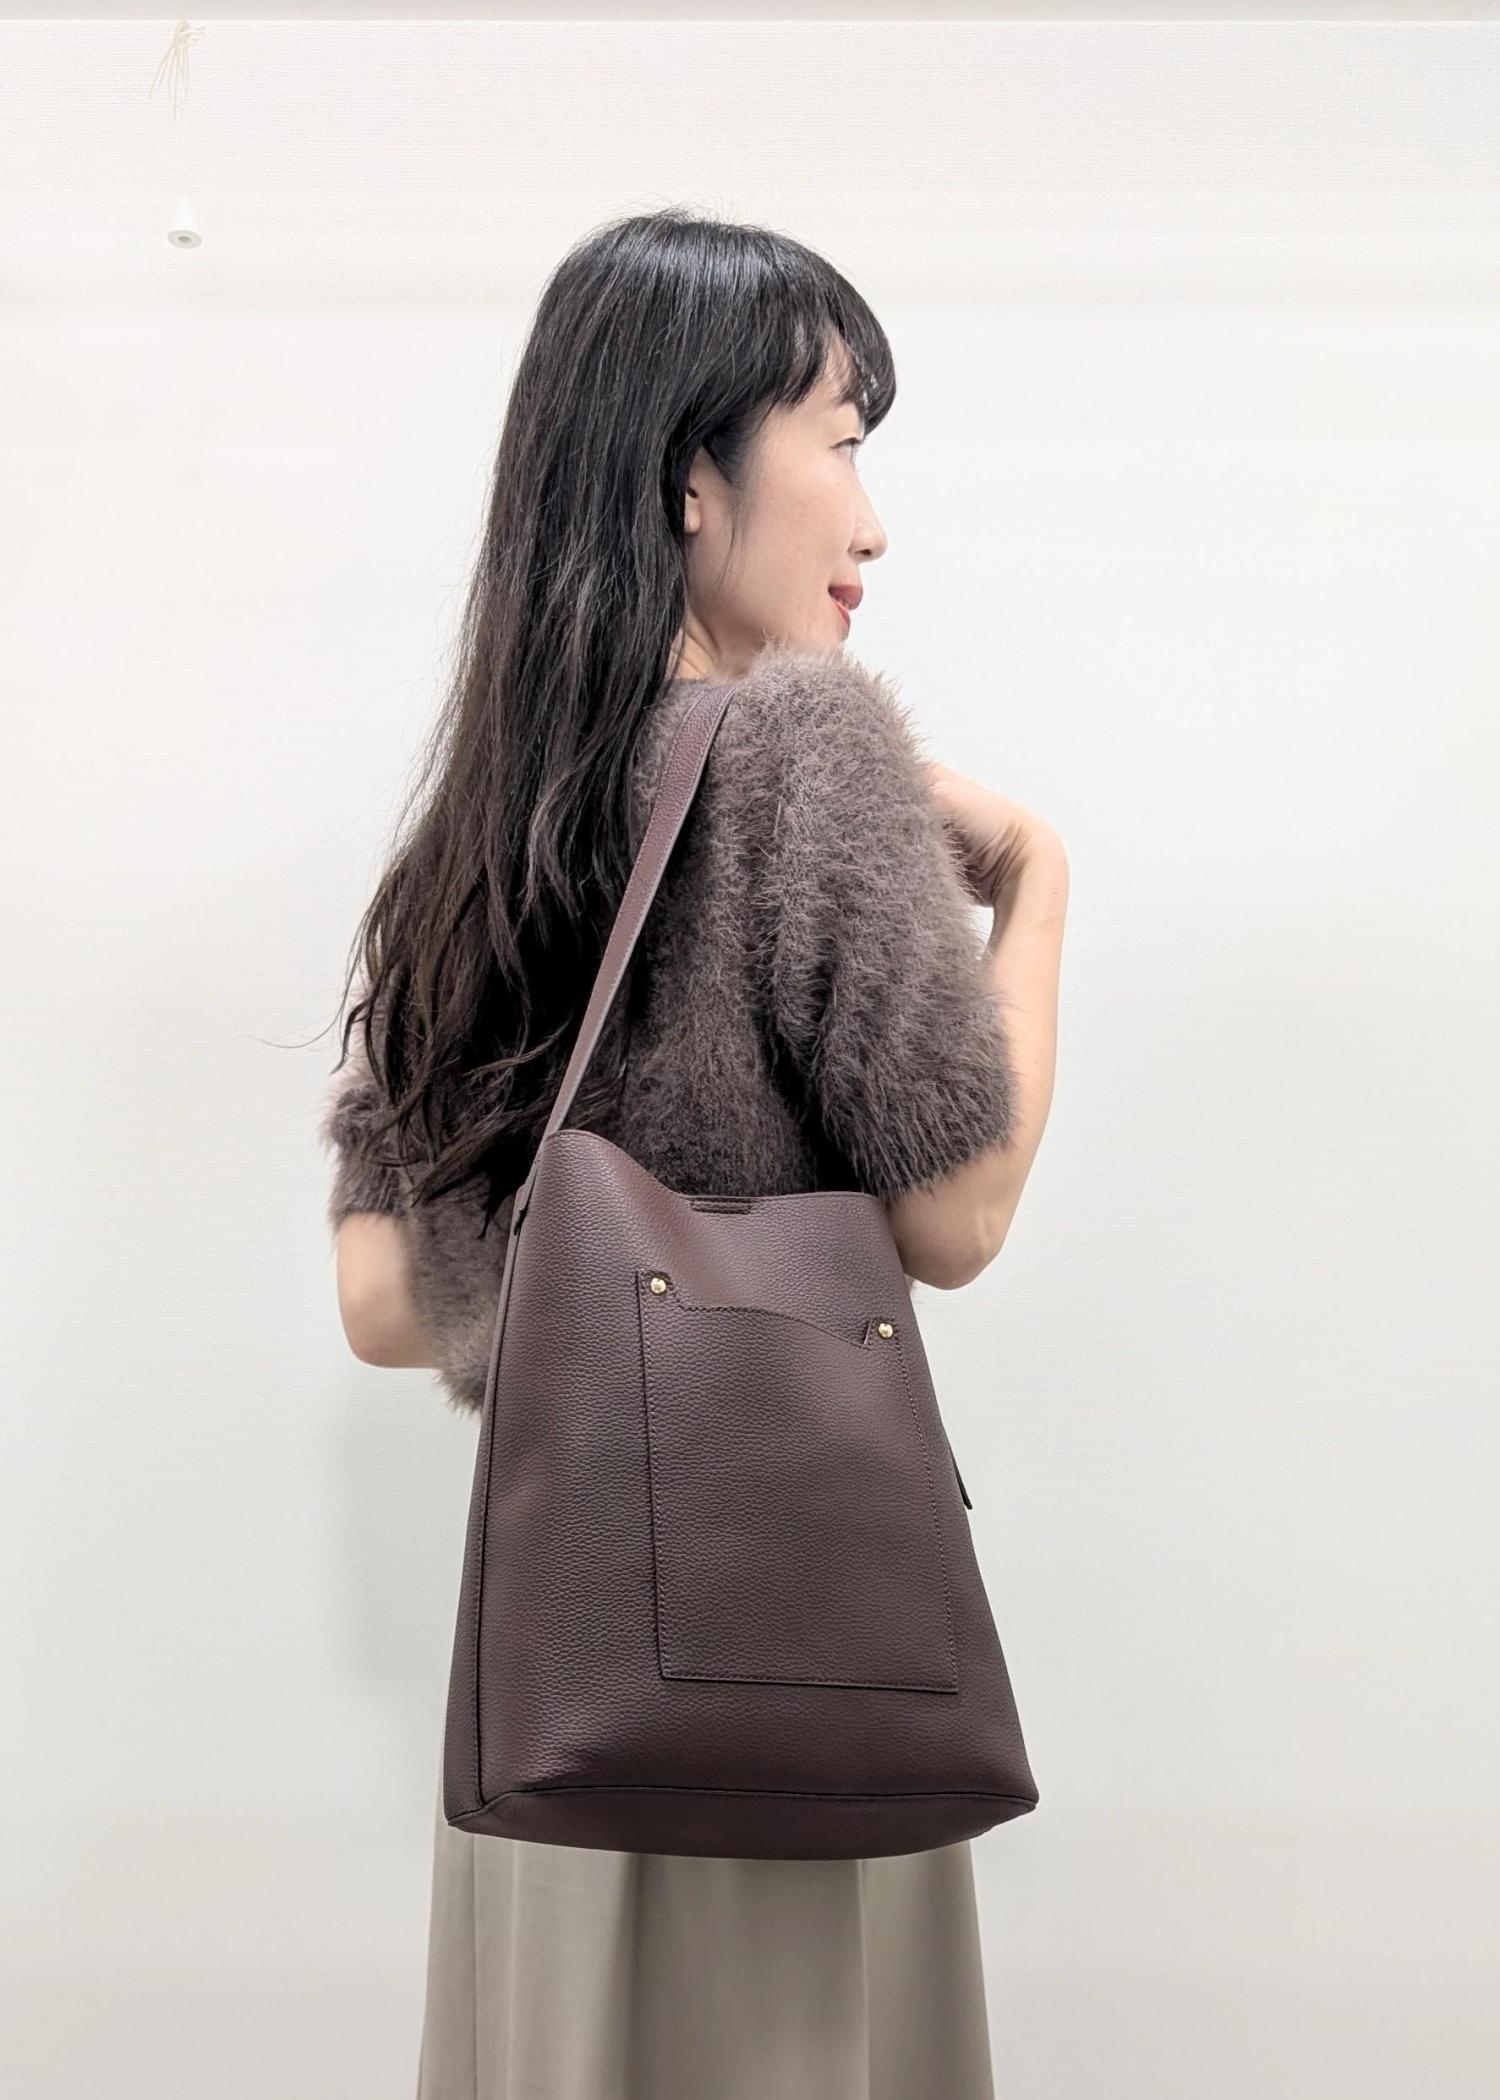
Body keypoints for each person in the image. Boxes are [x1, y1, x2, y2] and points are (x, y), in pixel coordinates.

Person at [320, 206, 1069, 2100]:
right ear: (690, 479)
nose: (871, 524)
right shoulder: (805, 749)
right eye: (842, 442)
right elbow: (960, 1214)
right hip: (786, 1700)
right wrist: (1038, 889)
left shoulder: (471, 842)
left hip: (555, 1720)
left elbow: (384, 1304)